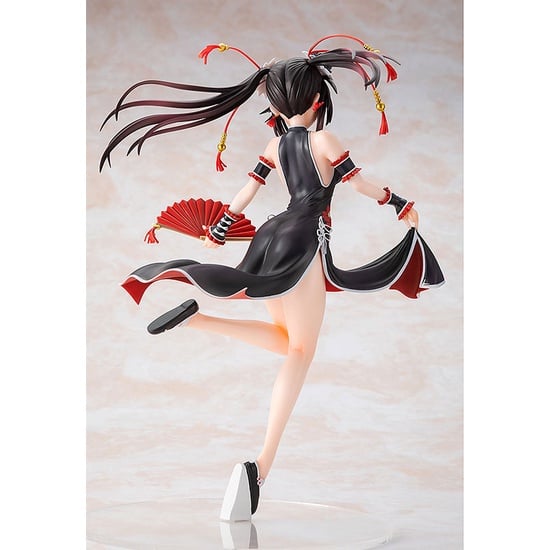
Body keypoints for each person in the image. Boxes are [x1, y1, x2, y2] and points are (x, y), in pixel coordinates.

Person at [100, 35, 445, 522]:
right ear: (319, 99)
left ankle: (197, 320)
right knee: (301, 351)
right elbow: (359, 185)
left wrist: (222, 226)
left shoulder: (275, 144)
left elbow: (247, 190)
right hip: (304, 239)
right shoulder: (324, 141)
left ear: (276, 107)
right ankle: (261, 465)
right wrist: (399, 203)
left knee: (286, 341)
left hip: (269, 235)